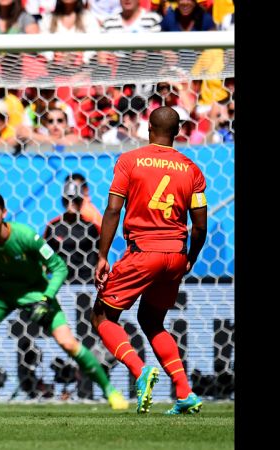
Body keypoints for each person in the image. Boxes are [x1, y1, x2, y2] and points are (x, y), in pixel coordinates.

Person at [0, 192, 127, 410]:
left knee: (68, 343)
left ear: (4, 213)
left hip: (35, 292)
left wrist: (47, 296)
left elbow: (59, 267)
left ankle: (111, 392)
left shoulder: (26, 236)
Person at [92, 106, 208, 415]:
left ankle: (140, 370)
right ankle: (184, 393)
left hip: (144, 252)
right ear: (178, 131)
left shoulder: (131, 161)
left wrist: (103, 255)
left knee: (102, 317)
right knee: (152, 320)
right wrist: (190, 259)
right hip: (175, 255)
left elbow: (114, 209)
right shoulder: (192, 169)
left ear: (148, 129)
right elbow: (199, 226)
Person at [43, 181, 100, 285]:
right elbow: (45, 255)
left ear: (81, 201)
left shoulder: (90, 227)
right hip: (61, 281)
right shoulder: (54, 227)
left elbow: (99, 256)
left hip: (86, 283)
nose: (71, 202)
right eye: (68, 199)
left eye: (75, 199)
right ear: (63, 201)